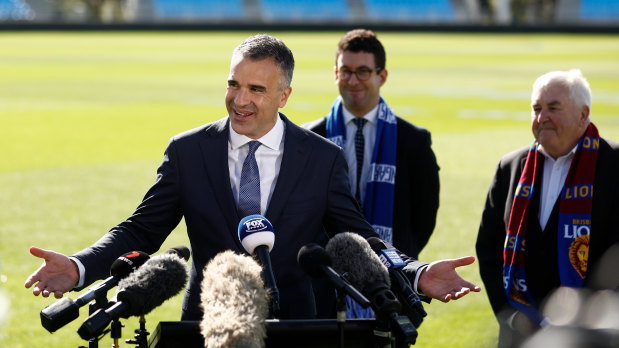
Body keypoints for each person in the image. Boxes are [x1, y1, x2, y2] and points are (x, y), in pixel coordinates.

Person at [25, 34, 479, 322]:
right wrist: (81, 265)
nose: (239, 100)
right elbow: (141, 229)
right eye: (233, 84)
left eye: (256, 89)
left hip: (300, 324)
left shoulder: (321, 158)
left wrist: (415, 272)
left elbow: (359, 239)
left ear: (284, 95)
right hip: (208, 322)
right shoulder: (188, 150)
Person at [476, 69, 619, 348]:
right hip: (521, 330)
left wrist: (591, 321)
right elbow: (489, 247)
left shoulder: (614, 164)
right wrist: (512, 315)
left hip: (593, 334)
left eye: (554, 108)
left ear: (583, 114)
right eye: (536, 108)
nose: (542, 118)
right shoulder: (511, 166)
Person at [304, 29, 439, 318]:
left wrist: (392, 260)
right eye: (346, 71)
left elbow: (424, 216)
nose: (353, 81)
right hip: (326, 289)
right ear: (335, 73)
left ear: (382, 75)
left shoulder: (412, 140)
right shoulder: (308, 137)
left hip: (392, 286)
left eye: (363, 72)